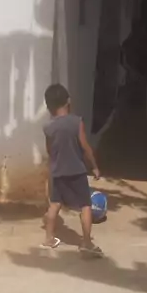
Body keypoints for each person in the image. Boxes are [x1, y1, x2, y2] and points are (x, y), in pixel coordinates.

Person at [42, 83, 103, 256]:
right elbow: (85, 147)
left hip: (58, 171)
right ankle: (86, 243)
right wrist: (94, 166)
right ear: (68, 101)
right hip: (76, 170)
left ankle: (49, 238)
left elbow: (50, 150)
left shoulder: (48, 128)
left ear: (49, 106)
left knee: (54, 205)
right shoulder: (77, 122)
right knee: (85, 205)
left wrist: (53, 168)